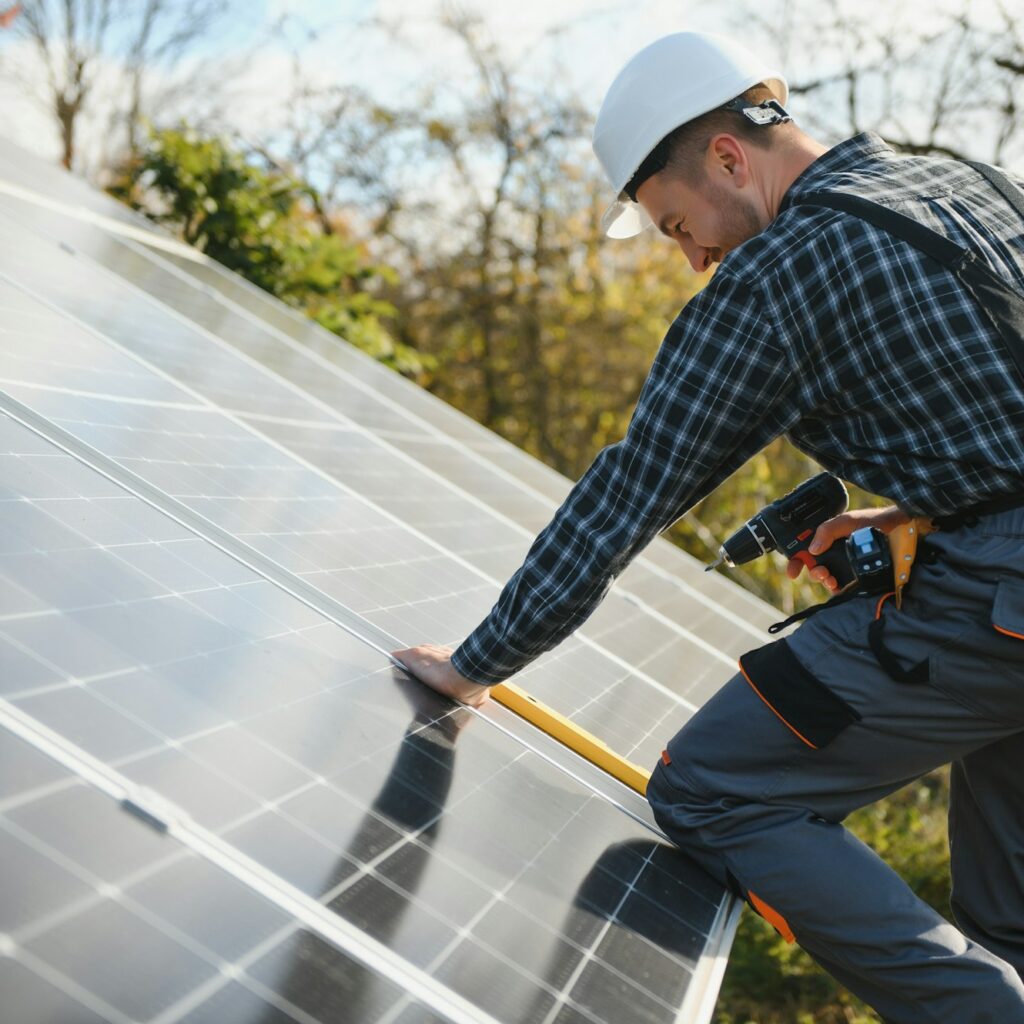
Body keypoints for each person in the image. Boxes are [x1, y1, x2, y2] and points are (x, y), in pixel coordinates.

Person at [391, 29, 1024, 1022]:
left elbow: (629, 489)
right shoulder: (961, 183)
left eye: (679, 224)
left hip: (1003, 606)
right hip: (1002, 589)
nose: (692, 259)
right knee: (1007, 916)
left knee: (714, 785)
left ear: (729, 158)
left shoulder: (780, 273)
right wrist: (922, 507)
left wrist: (476, 662)